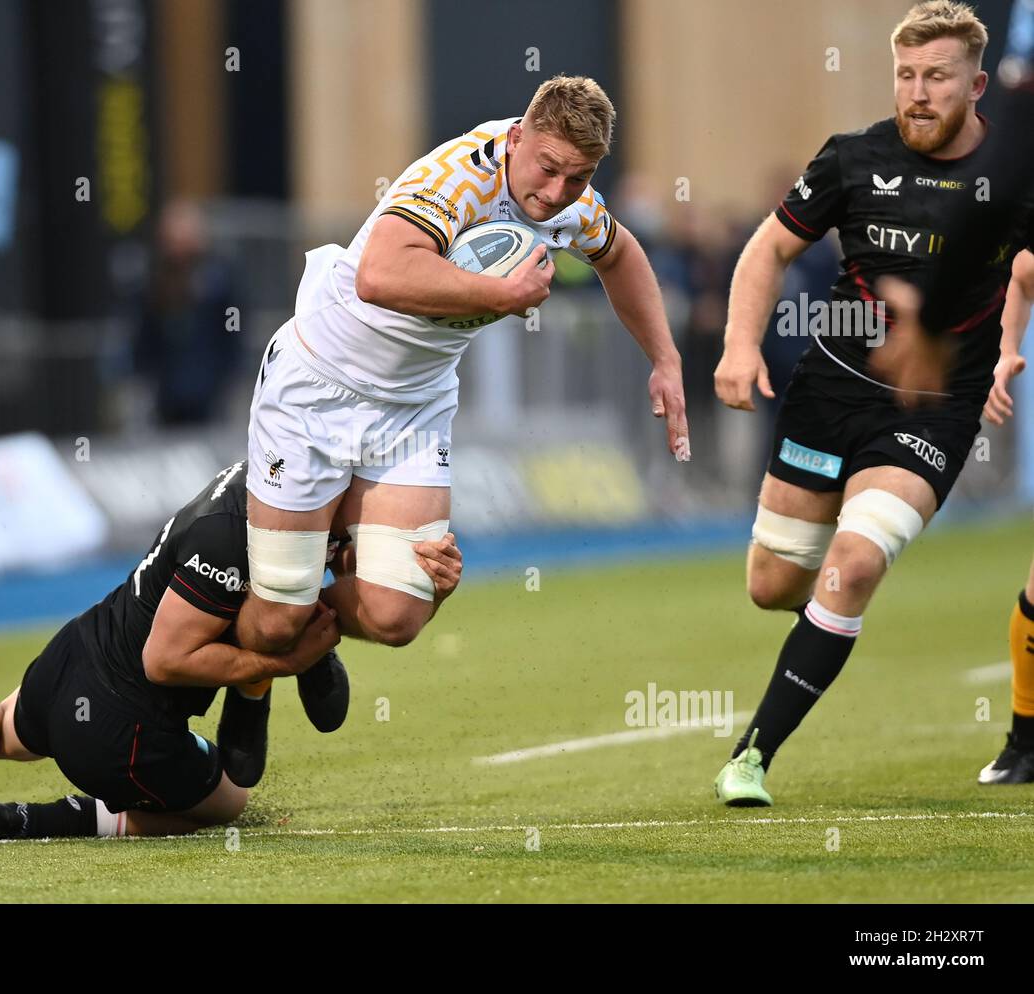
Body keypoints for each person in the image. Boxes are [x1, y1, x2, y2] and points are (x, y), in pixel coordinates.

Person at [240, 75, 688, 666]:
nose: (557, 193)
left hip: (415, 405)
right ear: (517, 138)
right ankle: (266, 665)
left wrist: (665, 357)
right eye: (547, 168)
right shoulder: (459, 177)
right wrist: (500, 296)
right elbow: (380, 276)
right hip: (320, 384)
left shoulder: (574, 200)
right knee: (274, 620)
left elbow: (620, 252)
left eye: (577, 177)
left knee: (397, 611)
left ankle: (312, 641)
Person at [0, 460, 465, 838]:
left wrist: (403, 598)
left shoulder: (274, 492)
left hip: (80, 646)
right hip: (126, 718)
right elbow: (174, 666)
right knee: (230, 802)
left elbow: (328, 692)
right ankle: (13, 821)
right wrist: (276, 664)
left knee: (8, 729)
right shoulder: (239, 537)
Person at [711, 1, 1034, 805]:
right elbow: (768, 248)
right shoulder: (853, 158)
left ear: (979, 85)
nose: (918, 93)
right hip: (830, 393)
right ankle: (827, 597)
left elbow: (1024, 271)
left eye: (937, 78)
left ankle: (750, 757)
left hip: (934, 408)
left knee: (851, 568)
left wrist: (1005, 350)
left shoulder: (1018, 170)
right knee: (773, 585)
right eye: (906, 76)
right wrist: (740, 345)